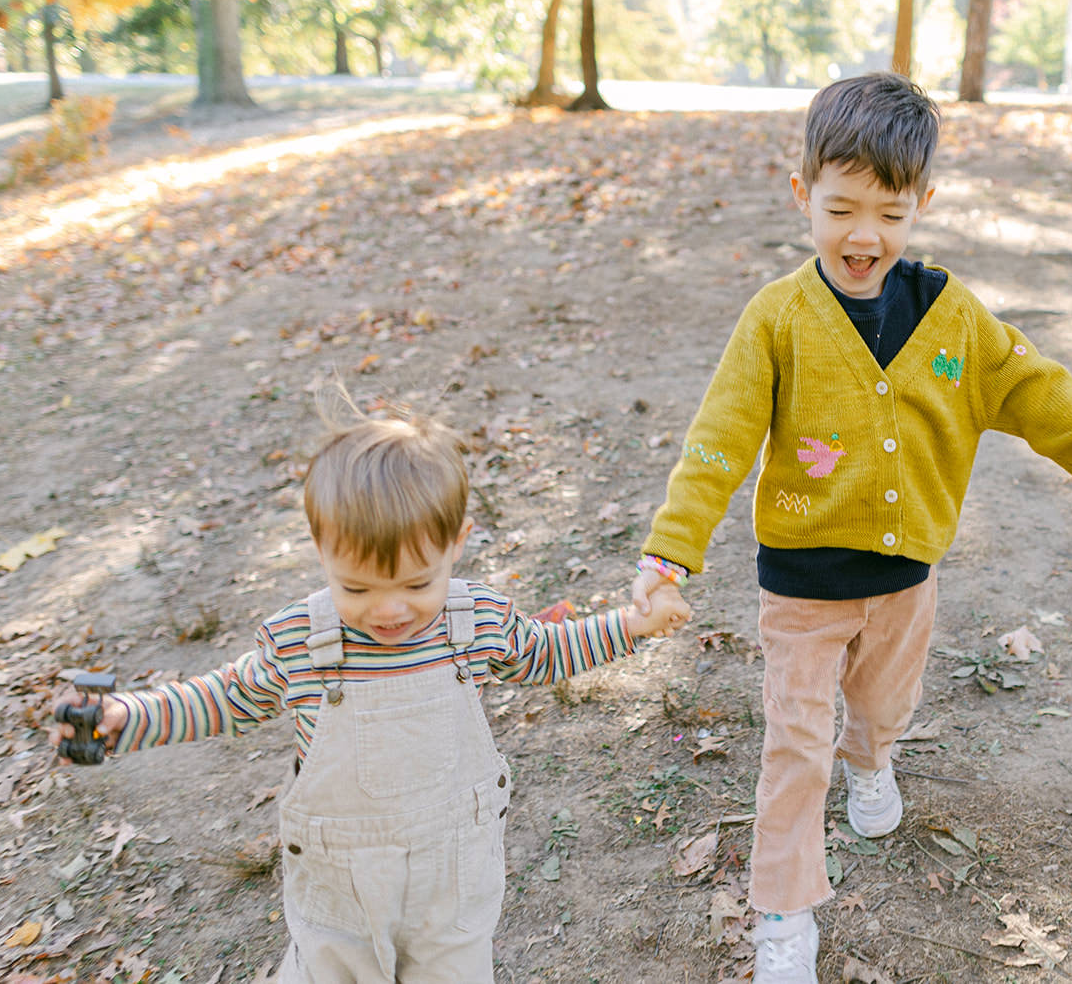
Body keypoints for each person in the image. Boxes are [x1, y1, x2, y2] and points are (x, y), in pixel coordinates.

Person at [631, 72, 1072, 983]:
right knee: (792, 750)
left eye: (889, 213)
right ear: (803, 194)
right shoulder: (776, 318)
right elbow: (716, 443)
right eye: (842, 208)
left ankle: (874, 759)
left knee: (881, 711)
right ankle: (783, 914)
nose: (863, 235)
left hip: (904, 582)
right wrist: (671, 552)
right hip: (801, 591)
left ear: (921, 203)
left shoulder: (950, 315)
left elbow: (1036, 390)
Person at [51, 402, 691, 983]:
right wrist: (128, 717)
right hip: (339, 892)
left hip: (452, 885)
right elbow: (226, 697)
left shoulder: (475, 624)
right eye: (355, 588)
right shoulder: (304, 640)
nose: (389, 610)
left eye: (417, 583)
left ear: (456, 543)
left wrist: (631, 626)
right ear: (321, 550)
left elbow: (547, 652)